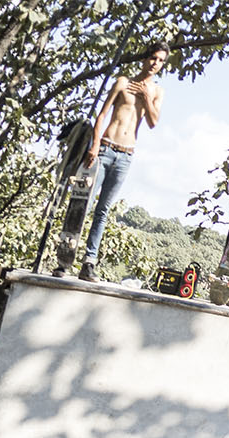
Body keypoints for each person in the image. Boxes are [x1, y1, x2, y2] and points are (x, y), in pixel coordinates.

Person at [67, 43, 168, 281]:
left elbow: (154, 122)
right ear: (145, 58)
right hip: (105, 148)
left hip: (126, 154)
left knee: (103, 211)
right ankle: (65, 257)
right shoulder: (123, 82)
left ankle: (88, 263)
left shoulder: (156, 92)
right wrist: (94, 144)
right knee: (82, 204)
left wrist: (146, 97)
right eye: (153, 58)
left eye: (160, 60)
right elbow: (101, 115)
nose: (155, 63)